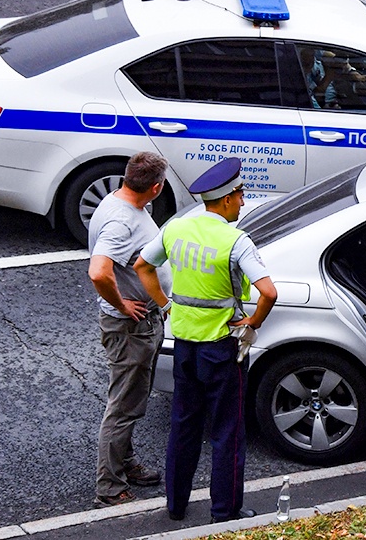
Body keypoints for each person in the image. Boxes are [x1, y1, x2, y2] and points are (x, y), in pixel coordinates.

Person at [134, 157, 277, 523]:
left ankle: (176, 504)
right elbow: (268, 292)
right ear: (227, 198)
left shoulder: (177, 229)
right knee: (227, 432)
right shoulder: (235, 240)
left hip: (184, 346)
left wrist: (166, 305)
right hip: (221, 348)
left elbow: (143, 266)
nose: (243, 203)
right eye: (240, 196)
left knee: (184, 425)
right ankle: (224, 511)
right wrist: (254, 320)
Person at [87, 151, 171, 507]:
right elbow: (98, 271)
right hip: (130, 327)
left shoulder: (121, 201)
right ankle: (109, 487)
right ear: (155, 187)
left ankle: (125, 462)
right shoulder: (121, 221)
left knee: (133, 399)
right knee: (124, 406)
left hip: (140, 324)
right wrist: (123, 304)